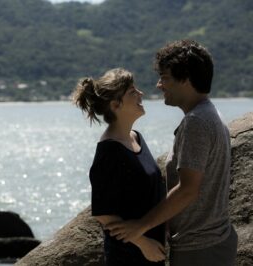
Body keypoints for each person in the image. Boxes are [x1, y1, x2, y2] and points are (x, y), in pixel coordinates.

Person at [105, 40, 238, 266]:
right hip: (209, 244)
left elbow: (188, 190)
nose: (158, 85)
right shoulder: (208, 113)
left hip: (201, 250)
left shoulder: (197, 122)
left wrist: (140, 228)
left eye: (164, 77)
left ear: (185, 79)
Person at [73, 68, 166, 265]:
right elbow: (104, 214)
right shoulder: (109, 151)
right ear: (116, 105)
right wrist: (144, 244)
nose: (141, 94)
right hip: (129, 256)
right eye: (133, 92)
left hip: (152, 253)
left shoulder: (136, 137)